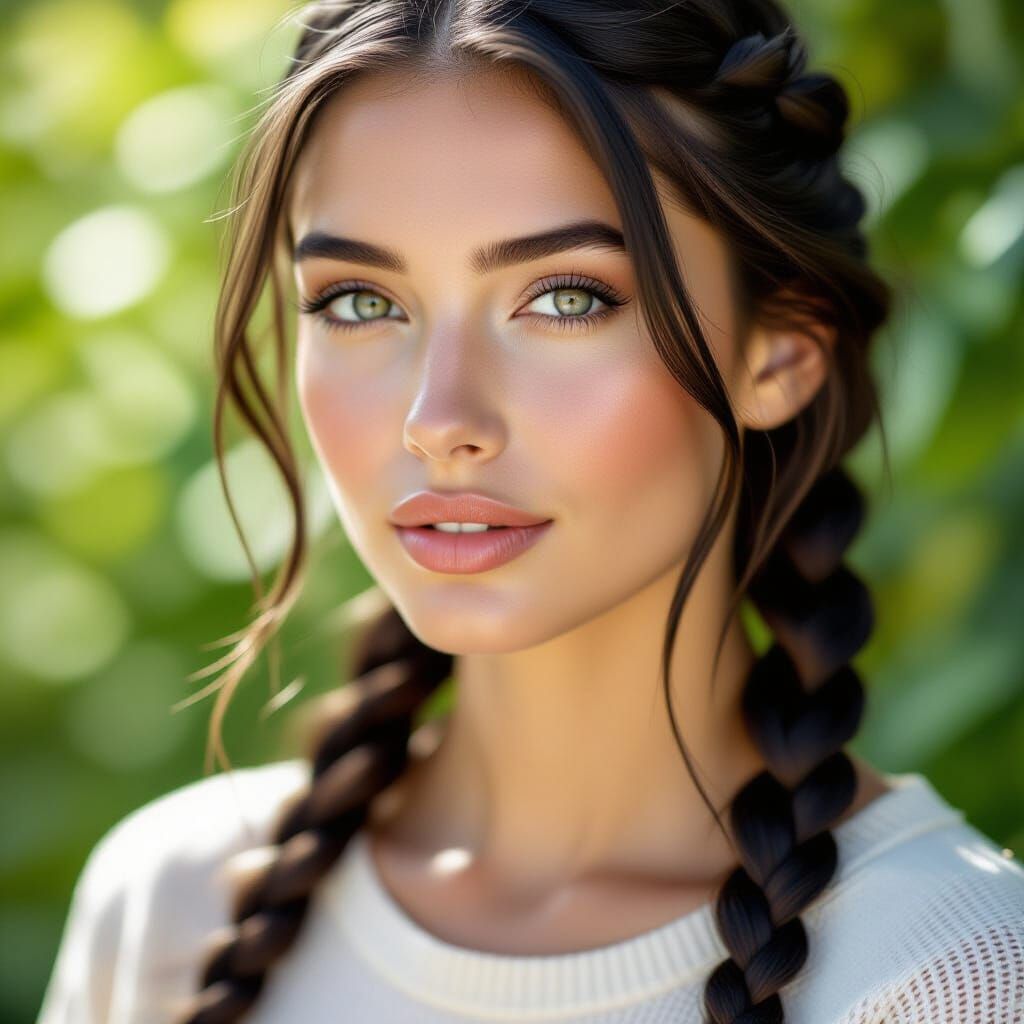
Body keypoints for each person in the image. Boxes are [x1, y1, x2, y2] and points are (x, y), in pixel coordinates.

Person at [37, 1, 1024, 1022]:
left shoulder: (948, 976)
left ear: (774, 354)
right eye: (360, 302)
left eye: (563, 298)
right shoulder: (171, 903)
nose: (438, 420)